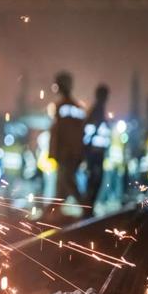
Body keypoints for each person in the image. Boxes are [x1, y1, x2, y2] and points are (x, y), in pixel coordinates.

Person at [49, 72, 86, 212]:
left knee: (67, 182)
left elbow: (60, 133)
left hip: (66, 153)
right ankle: (52, 212)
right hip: (73, 153)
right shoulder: (77, 107)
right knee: (62, 186)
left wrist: (55, 152)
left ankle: (86, 209)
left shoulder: (62, 107)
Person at [82, 84, 111, 214]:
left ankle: (88, 207)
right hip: (94, 153)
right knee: (94, 180)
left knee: (94, 180)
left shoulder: (98, 110)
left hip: (96, 153)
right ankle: (88, 207)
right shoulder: (97, 111)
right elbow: (89, 131)